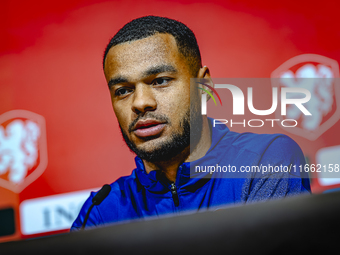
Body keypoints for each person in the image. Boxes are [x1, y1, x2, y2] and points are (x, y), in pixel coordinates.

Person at [71, 16, 310, 231]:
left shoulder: (263, 160)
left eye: (160, 81)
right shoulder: (101, 211)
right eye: (123, 91)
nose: (140, 103)